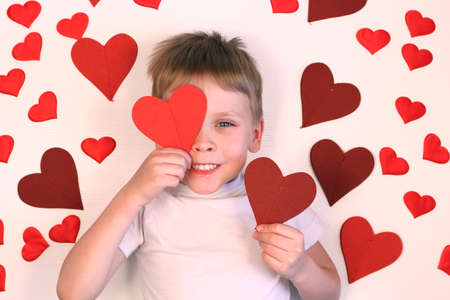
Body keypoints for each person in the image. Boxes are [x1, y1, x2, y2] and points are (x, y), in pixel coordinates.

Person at [57, 31, 340, 300]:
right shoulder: (148, 205)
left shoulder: (280, 202)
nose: (202, 143)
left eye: (224, 123)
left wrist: (301, 269)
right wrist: (133, 194)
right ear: (158, 131)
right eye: (183, 123)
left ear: (255, 135)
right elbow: (74, 292)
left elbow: (329, 293)